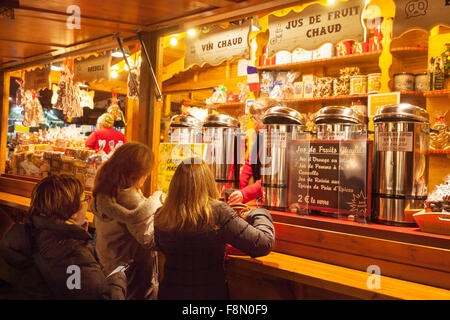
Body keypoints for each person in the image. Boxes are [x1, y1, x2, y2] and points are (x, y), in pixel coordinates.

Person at [154, 158, 274, 300]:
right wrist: (259, 212)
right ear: (208, 182)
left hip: (169, 294)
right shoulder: (217, 212)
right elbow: (263, 244)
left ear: (175, 184)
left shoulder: (162, 214)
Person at [0, 174, 126, 300]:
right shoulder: (71, 256)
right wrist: (117, 277)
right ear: (73, 211)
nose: (87, 204)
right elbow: (92, 293)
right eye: (85, 199)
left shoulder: (29, 233)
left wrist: (76, 234)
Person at [90, 142, 163, 300]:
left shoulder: (106, 192)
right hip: (131, 273)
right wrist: (157, 202)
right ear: (137, 174)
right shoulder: (130, 199)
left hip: (109, 265)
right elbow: (149, 240)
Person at [228, 98, 270, 205]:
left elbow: (269, 179)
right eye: (253, 117)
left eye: (256, 118)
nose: (254, 122)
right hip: (260, 198)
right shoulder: (261, 135)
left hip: (270, 196)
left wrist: (244, 193)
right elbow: (249, 164)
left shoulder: (274, 138)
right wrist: (239, 191)